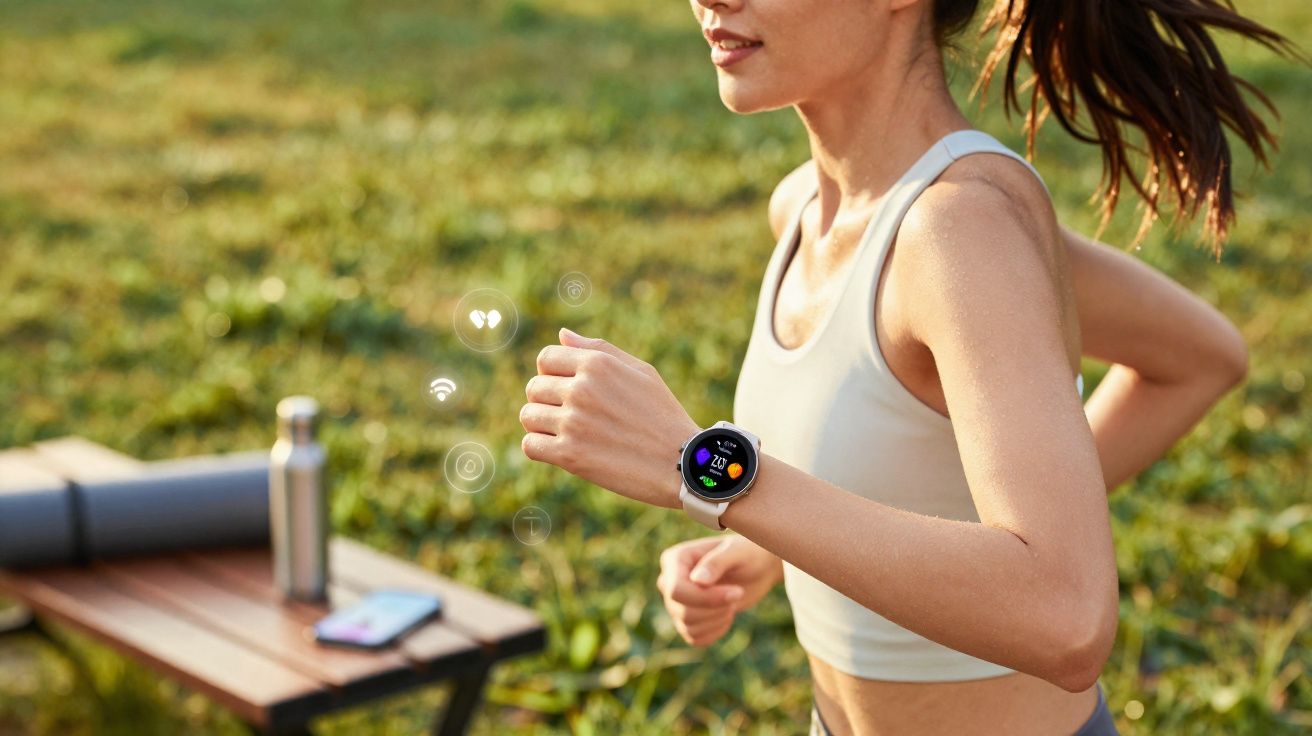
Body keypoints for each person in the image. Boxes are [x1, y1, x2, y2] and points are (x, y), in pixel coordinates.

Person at [518, 0, 1298, 733]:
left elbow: (1066, 617)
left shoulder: (963, 231)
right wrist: (769, 543)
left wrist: (704, 470)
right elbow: (1200, 355)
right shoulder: (805, 208)